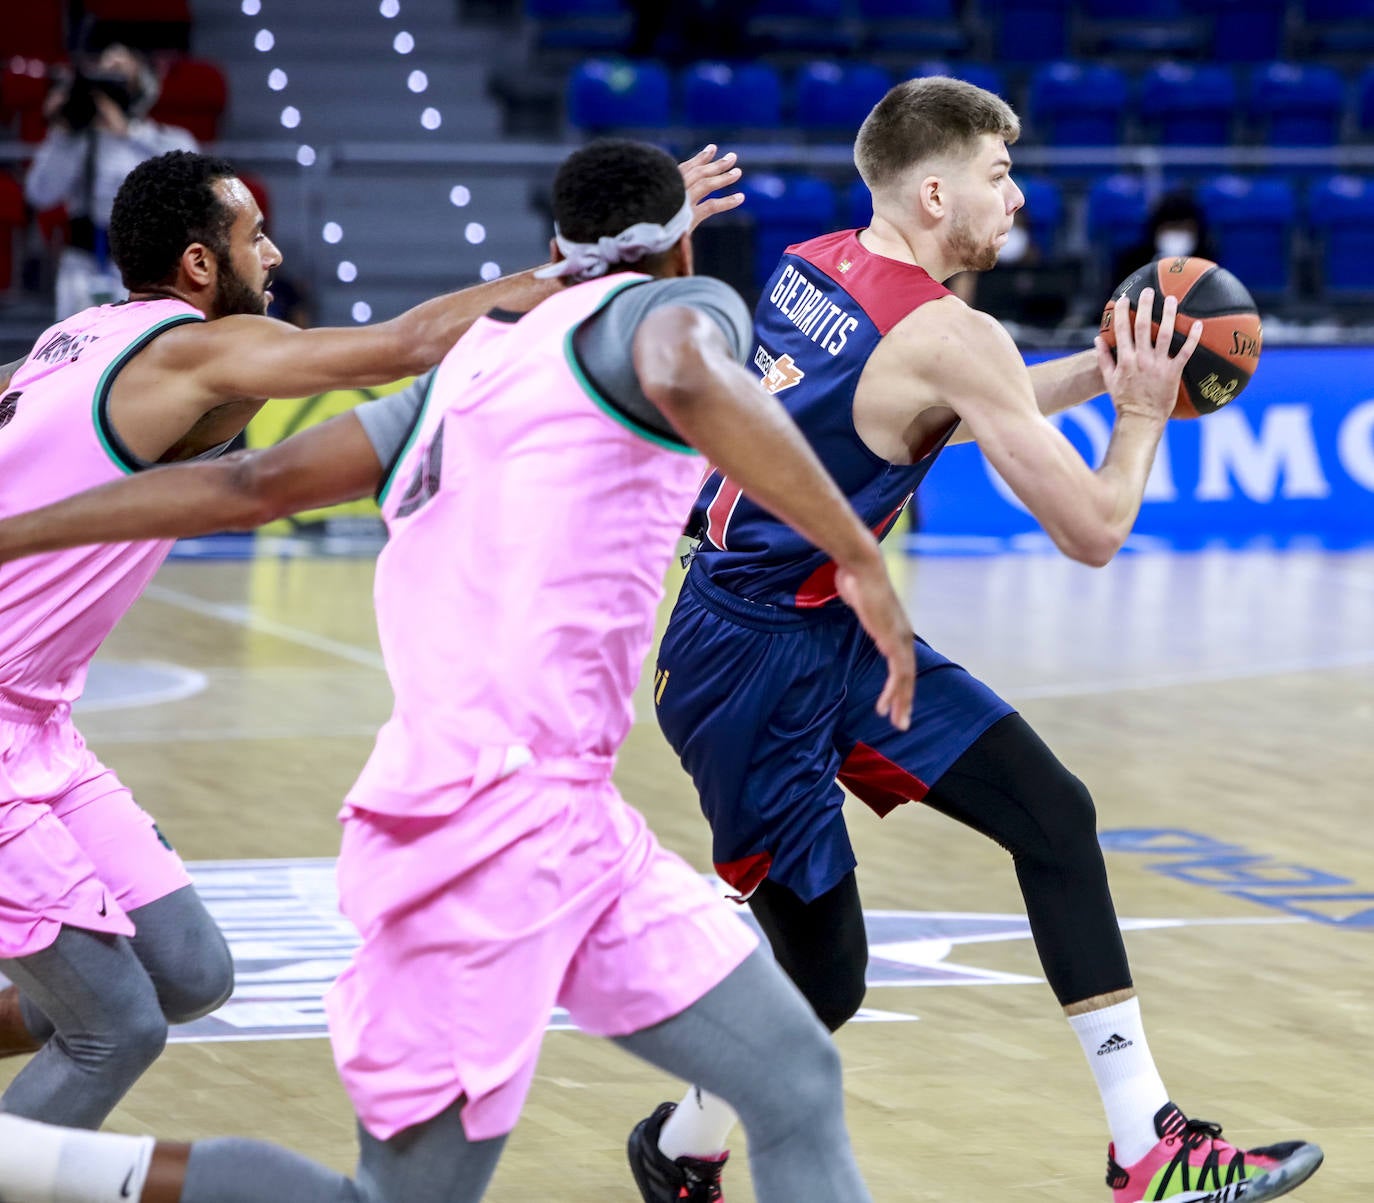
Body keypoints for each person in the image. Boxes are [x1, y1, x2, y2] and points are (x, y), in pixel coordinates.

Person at [0, 137, 916, 1203]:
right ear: (676, 247)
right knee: (348, 1172)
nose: (277, 246)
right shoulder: (679, 310)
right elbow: (674, 365)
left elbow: (247, 487)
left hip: (568, 821)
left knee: (796, 1079)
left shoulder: (477, 368)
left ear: (559, 246)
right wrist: (855, 551)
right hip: (485, 829)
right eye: (255, 232)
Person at [621, 77, 1324, 1203]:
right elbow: (1094, 529)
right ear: (938, 189)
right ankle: (684, 1139)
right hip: (751, 664)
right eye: (1001, 176)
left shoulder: (820, 262)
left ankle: (1146, 1143)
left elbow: (948, 400)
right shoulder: (953, 333)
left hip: (811, 628)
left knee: (1053, 813)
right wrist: (1142, 415)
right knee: (830, 980)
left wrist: (1103, 367)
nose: (1017, 197)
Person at [24, 44, 200, 320]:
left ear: (142, 83)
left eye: (119, 73)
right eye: (103, 74)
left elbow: (190, 186)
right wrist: (63, 131)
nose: (110, 83)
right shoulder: (76, 140)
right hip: (82, 263)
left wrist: (127, 133)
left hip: (146, 266)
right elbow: (39, 193)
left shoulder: (167, 140)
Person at [1110, 189, 1219, 291]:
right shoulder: (1132, 264)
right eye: (1171, 227)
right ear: (1156, 230)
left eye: (1184, 228)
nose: (1177, 235)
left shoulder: (1208, 268)